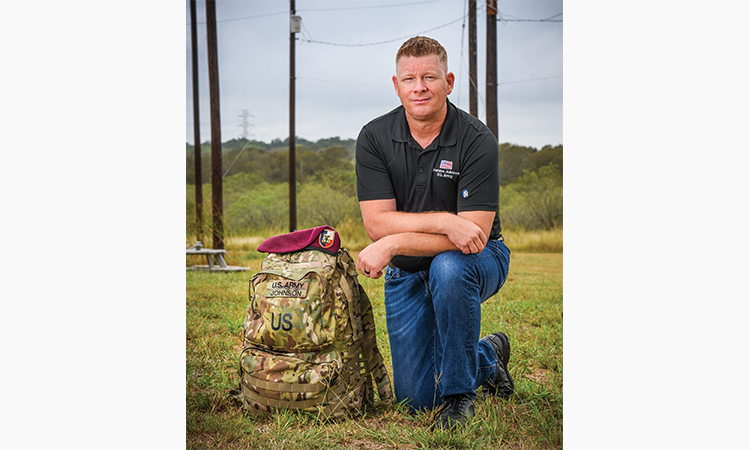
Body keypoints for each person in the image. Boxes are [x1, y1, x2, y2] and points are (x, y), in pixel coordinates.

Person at [354, 36, 514, 429]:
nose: (419, 87)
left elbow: (473, 236)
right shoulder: (374, 137)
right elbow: (377, 222)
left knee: (448, 266)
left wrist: (393, 241)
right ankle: (487, 356)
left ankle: (460, 397)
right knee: (416, 399)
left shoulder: (477, 139)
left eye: (430, 76)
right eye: (409, 79)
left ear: (449, 81)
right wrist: (444, 221)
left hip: (479, 258)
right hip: (407, 269)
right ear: (397, 85)